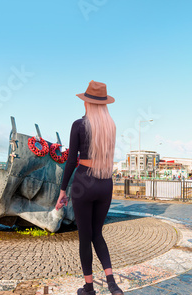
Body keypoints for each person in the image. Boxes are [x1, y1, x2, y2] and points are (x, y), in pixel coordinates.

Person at [55, 80, 124, 295]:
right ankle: (112, 283)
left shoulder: (79, 125)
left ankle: (89, 288)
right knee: (98, 234)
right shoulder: (110, 127)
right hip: (105, 183)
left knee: (85, 237)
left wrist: (63, 191)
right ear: (103, 104)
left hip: (84, 183)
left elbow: (71, 162)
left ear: (87, 103)